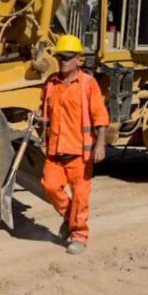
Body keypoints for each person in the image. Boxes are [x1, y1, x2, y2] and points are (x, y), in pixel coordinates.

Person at [38, 34, 109, 256]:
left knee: (80, 197)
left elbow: (100, 116)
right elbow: (44, 109)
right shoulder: (51, 83)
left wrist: (100, 145)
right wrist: (37, 116)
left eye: (68, 57)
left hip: (80, 153)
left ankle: (79, 235)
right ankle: (70, 218)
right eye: (60, 57)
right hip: (55, 150)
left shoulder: (88, 84)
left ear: (79, 59)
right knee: (49, 186)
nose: (63, 61)